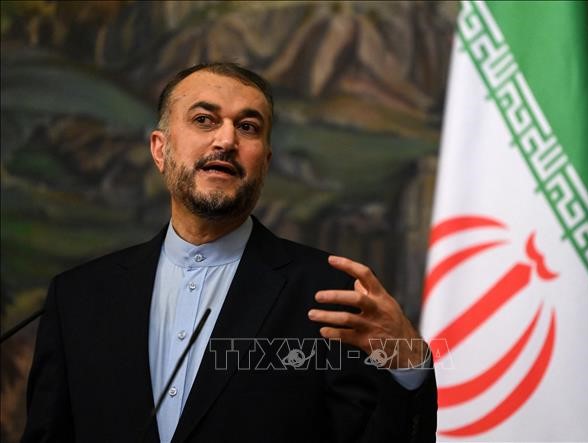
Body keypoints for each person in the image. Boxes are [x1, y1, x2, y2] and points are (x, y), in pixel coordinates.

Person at [22, 62, 437, 443]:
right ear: (160, 149)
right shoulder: (78, 297)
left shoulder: (328, 296)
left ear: (265, 162)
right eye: (204, 120)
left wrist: (407, 365)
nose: (226, 140)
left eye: (248, 127)